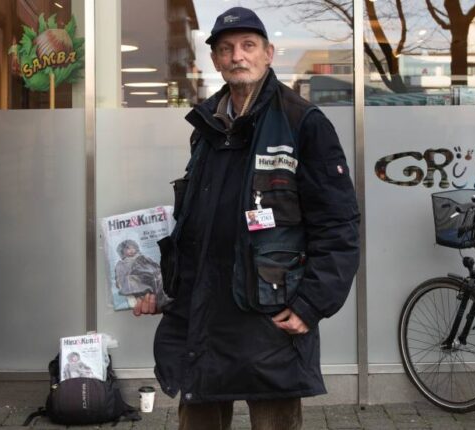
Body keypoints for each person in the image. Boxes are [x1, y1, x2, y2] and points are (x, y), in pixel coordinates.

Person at [134, 6, 360, 430]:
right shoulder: (204, 128)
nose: (238, 56)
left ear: (268, 53)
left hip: (269, 321)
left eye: (248, 46)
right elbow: (194, 227)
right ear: (217, 60)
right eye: (226, 48)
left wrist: (311, 304)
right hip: (203, 318)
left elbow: (339, 226)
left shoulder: (302, 123)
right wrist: (161, 288)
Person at [114, 239, 165, 309]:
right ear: (122, 250)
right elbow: (119, 275)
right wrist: (119, 282)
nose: (131, 250)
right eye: (128, 248)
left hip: (144, 282)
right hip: (130, 285)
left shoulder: (142, 258)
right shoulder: (121, 264)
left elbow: (153, 265)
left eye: (133, 248)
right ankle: (132, 297)